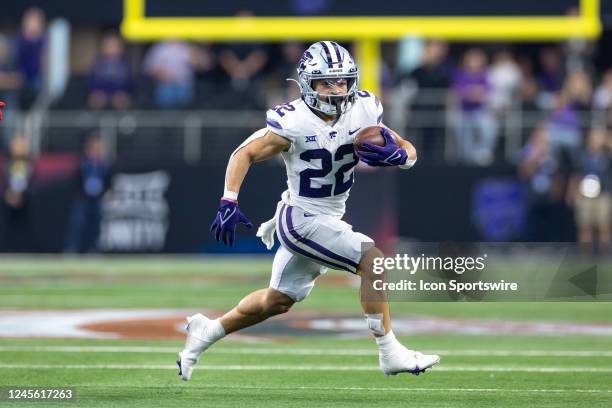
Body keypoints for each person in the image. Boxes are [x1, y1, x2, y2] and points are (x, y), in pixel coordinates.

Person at [177, 41, 439, 381]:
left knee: (277, 301)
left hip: (328, 217)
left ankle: (206, 331)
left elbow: (407, 147)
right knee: (372, 260)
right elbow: (244, 153)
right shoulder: (294, 121)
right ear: (308, 84)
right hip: (301, 218)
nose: (337, 89)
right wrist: (229, 199)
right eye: (327, 82)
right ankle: (390, 352)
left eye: (342, 81)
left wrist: (403, 158)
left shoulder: (364, 108)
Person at [567, 128, 612, 253]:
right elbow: (577, 174)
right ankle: (585, 254)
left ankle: (604, 253)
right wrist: (572, 192)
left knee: (604, 226)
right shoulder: (582, 155)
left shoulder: (607, 155)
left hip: (604, 193)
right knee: (585, 226)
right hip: (585, 194)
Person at [63, 136, 111, 253]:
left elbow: (109, 181)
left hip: (98, 199)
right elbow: (76, 180)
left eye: (99, 149)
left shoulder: (104, 165)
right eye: (94, 148)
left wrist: (104, 193)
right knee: (77, 225)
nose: (96, 151)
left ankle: (94, 250)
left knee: (96, 227)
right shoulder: (83, 163)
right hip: (83, 199)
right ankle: (72, 249)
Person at [1, 134, 34, 252]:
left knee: (24, 227)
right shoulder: (8, 163)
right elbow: (5, 180)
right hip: (9, 198)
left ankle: (25, 250)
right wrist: (9, 194)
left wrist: (22, 195)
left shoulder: (29, 163)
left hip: (25, 199)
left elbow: (32, 181)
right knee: (7, 226)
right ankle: (6, 250)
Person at [88, 34, 131, 110]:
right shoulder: (98, 63)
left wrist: (122, 92)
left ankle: (123, 120)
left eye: (114, 46)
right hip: (100, 92)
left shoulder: (124, 63)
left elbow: (128, 82)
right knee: (96, 99)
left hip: (119, 92)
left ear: (120, 49)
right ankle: (95, 119)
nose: (111, 49)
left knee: (121, 99)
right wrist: (96, 91)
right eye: (109, 46)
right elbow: (92, 80)